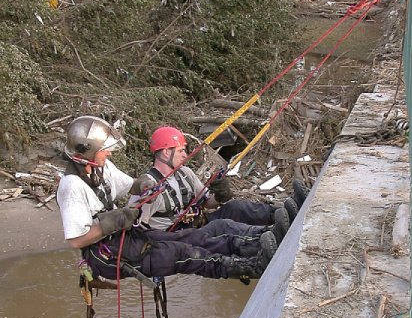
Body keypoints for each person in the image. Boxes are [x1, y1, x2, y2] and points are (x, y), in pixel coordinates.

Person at [56, 116, 278, 283]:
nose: (109, 154)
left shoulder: (101, 167)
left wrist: (142, 184)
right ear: (89, 150)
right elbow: (76, 240)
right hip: (105, 256)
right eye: (105, 150)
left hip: (126, 238)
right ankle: (250, 266)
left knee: (194, 238)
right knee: (181, 253)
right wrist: (111, 223)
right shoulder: (72, 186)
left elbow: (130, 185)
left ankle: (260, 241)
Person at [129, 125, 308, 239]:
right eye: (181, 150)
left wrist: (221, 195)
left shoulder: (185, 174)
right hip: (176, 237)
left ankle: (286, 211)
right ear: (166, 153)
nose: (185, 155)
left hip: (197, 224)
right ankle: (267, 236)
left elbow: (208, 203)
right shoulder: (148, 186)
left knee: (236, 207)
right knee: (222, 226)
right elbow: (137, 228)